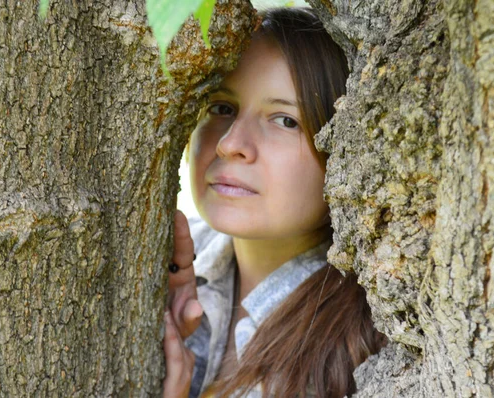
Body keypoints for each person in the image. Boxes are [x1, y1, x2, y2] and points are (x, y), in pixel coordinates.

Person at [163, 8, 386, 398]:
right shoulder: (160, 262)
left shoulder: (373, 344)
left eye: (285, 120)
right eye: (221, 108)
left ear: (347, 147)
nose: (230, 144)